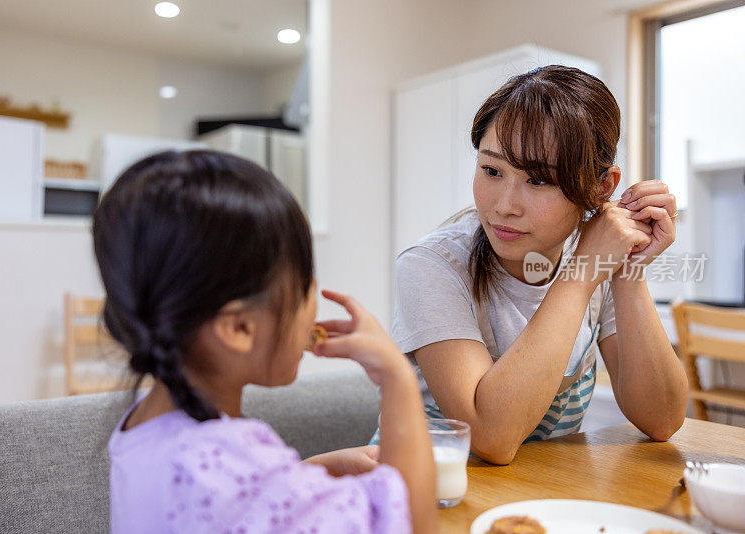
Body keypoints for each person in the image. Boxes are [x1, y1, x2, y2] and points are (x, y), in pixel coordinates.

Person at [93, 150, 437, 533]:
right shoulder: (222, 463)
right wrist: (397, 375)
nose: (313, 300)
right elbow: (412, 522)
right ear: (238, 327)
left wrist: (305, 473)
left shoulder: (144, 423)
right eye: (305, 283)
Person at [384, 65, 688, 465]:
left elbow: (662, 419)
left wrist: (628, 271)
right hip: (427, 495)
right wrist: (580, 276)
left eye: (539, 180)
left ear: (602, 187)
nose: (504, 206)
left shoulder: (596, 256)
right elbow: (491, 438)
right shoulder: (433, 265)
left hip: (543, 493)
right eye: (491, 171)